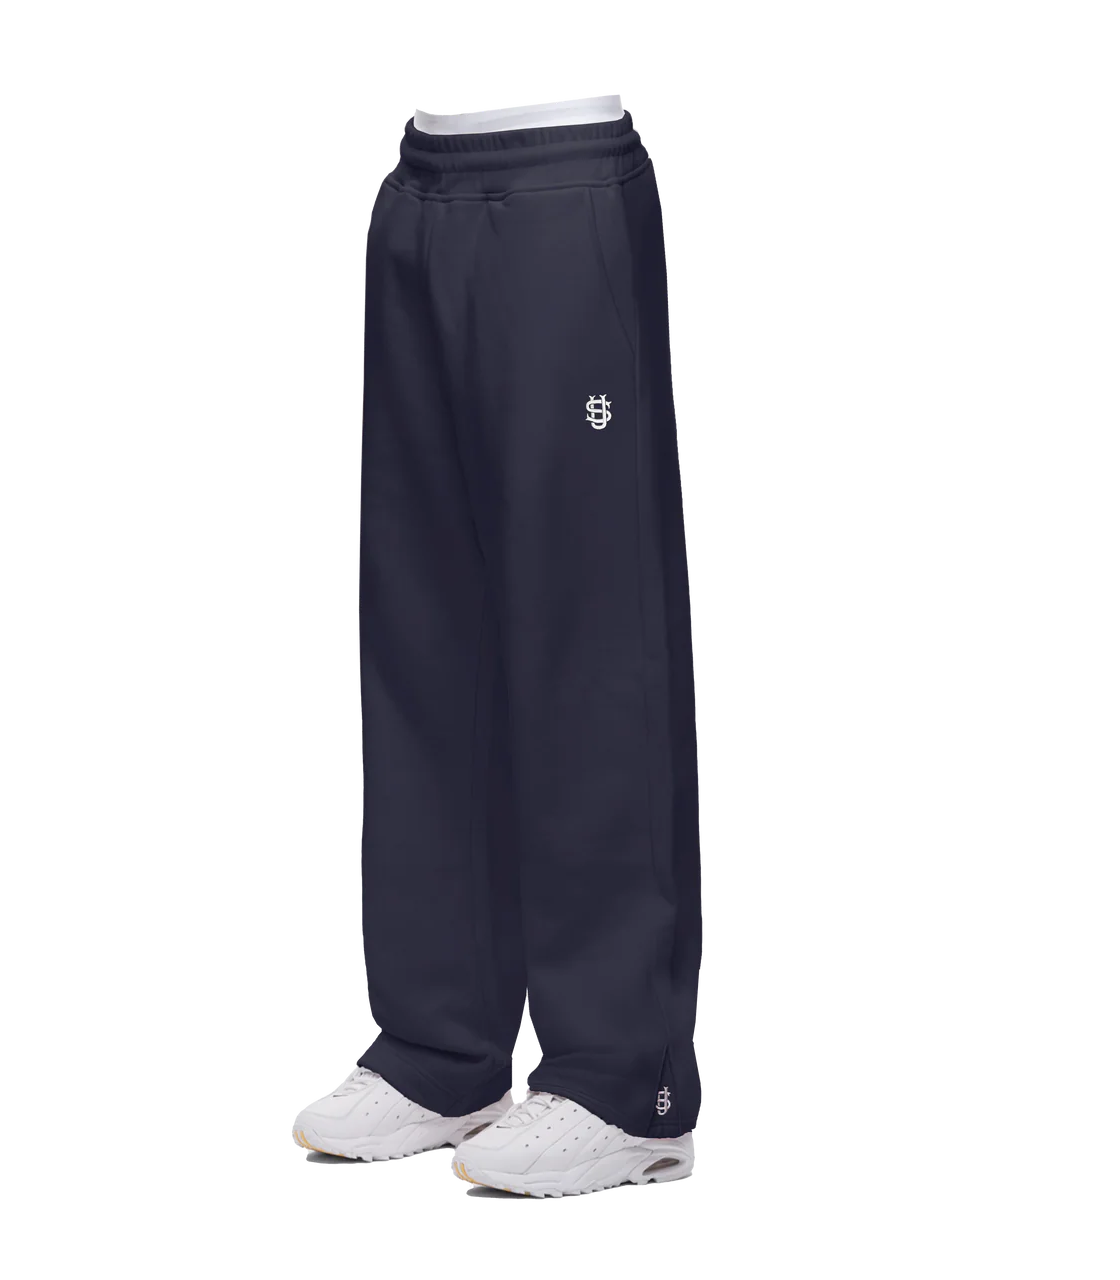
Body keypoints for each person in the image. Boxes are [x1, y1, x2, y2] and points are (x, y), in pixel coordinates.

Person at [296, 94, 701, 1196]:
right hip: (418, 185)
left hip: (562, 180)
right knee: (427, 641)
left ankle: (623, 1077)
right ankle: (437, 1049)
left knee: (585, 638)